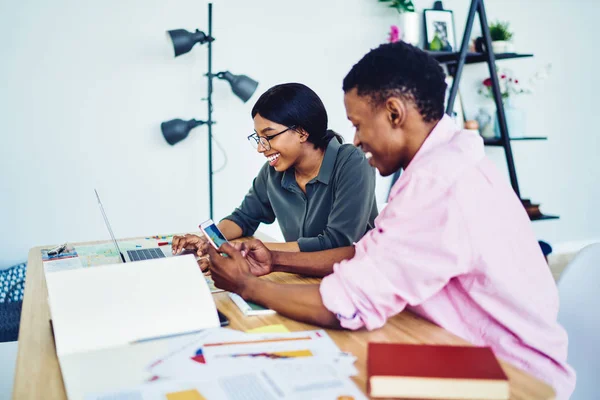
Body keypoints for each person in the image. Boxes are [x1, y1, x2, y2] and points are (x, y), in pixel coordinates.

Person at [205, 43, 575, 398]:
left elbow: (347, 301)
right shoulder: (443, 165)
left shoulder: (436, 184)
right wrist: (275, 259)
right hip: (458, 348)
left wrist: (247, 287)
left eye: (359, 124)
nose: (356, 139)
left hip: (510, 376)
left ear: (394, 113)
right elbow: (363, 255)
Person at [172, 83, 378, 266]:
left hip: (360, 281)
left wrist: (249, 249)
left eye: (268, 136)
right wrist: (208, 241)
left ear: (301, 132)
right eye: (258, 138)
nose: (261, 148)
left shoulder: (352, 162)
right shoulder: (273, 173)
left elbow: (337, 243)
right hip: (301, 275)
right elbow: (244, 217)